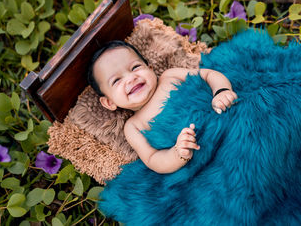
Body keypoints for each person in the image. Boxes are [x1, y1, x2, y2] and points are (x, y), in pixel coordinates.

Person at [87, 40, 238, 174]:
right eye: (117, 80)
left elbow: (208, 75)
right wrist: (177, 153)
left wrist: (221, 91)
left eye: (135, 67)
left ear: (150, 68)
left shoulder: (169, 76)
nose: (131, 78)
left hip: (227, 122)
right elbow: (153, 159)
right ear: (109, 102)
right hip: (205, 157)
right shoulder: (133, 126)